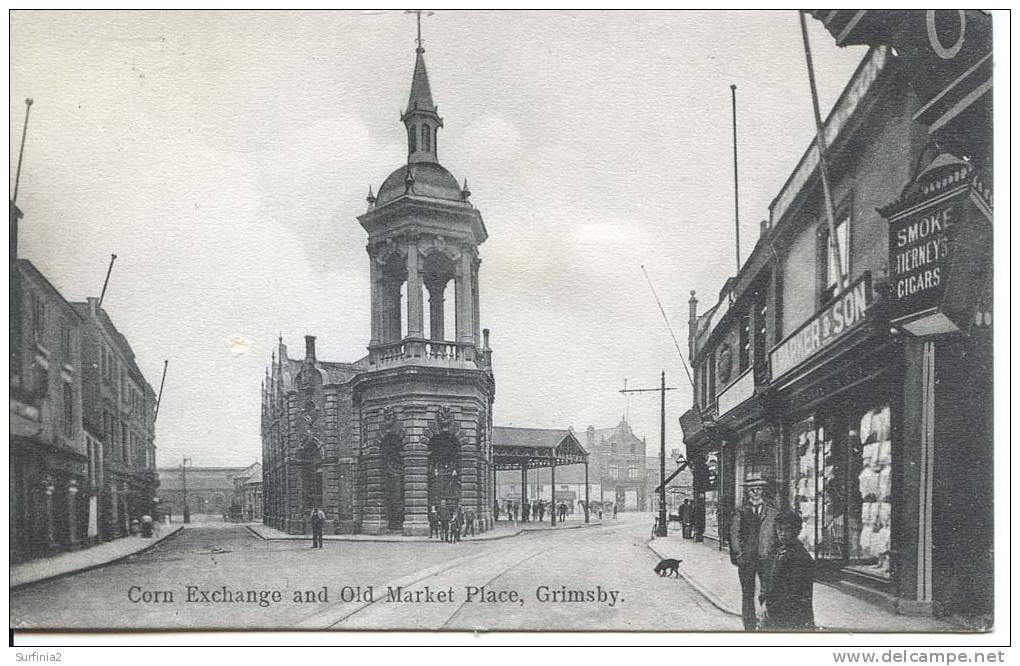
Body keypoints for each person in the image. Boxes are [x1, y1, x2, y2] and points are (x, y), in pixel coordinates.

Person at [729, 474, 780, 631]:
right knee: (747, 594)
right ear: (748, 493)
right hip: (747, 560)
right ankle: (749, 626)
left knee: (768, 591)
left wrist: (775, 555)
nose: (756, 492)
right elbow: (734, 536)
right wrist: (739, 556)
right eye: (752, 490)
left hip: (767, 559)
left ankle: (768, 623)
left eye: (759, 489)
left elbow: (777, 535)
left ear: (763, 491)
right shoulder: (740, 512)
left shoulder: (772, 512)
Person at [764, 509, 815, 631]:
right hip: (776, 614)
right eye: (779, 530)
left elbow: (795, 593)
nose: (782, 533)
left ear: (796, 531)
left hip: (792, 618)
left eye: (787, 530)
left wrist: (770, 606)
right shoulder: (779, 551)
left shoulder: (801, 557)